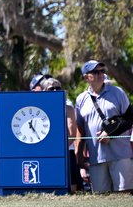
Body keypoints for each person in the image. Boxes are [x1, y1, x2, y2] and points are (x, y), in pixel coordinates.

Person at [75, 60, 133, 193]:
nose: (101, 74)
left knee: (123, 194)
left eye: (102, 71)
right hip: (96, 157)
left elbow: (129, 118)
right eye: (96, 72)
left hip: (121, 154)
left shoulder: (118, 92)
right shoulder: (80, 99)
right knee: (101, 197)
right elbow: (80, 129)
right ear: (86, 77)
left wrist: (110, 133)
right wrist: (79, 155)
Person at [39, 77, 83, 192]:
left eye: (58, 88)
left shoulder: (67, 106)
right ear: (44, 92)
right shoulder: (39, 106)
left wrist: (56, 151)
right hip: (45, 154)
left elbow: (72, 133)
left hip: (66, 152)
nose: (55, 91)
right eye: (51, 89)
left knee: (70, 188)